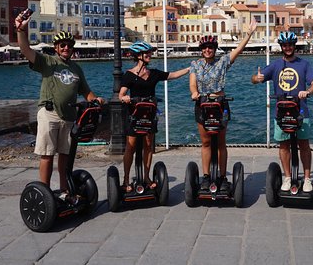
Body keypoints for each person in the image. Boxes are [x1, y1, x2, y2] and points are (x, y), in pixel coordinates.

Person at [15, 14, 105, 198]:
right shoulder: (47, 62)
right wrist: (21, 30)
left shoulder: (76, 69)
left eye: (69, 46)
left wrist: (96, 100)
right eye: (62, 45)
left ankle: (65, 190)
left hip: (69, 117)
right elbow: (25, 49)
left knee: (64, 154)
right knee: (47, 154)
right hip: (50, 113)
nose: (66, 48)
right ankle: (45, 192)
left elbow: (86, 91)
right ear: (56, 48)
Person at [190, 18, 258, 192]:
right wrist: (194, 93)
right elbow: (192, 83)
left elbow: (239, 50)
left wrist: (249, 33)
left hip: (220, 105)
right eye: (205, 48)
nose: (207, 50)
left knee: (220, 142)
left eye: (210, 47)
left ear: (214, 49)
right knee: (205, 142)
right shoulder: (195, 65)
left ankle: (221, 176)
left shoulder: (222, 62)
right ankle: (206, 177)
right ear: (201, 50)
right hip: (202, 105)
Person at [251, 31, 313, 192]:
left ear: (294, 46)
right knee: (283, 146)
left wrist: (308, 91)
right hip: (281, 113)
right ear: (281, 47)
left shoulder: (304, 64)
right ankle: (287, 177)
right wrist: (257, 78)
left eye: (290, 45)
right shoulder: (276, 65)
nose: (288, 48)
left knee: (304, 145)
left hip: (301, 111)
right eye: (285, 45)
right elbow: (254, 79)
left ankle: (308, 178)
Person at [118, 41, 189, 192]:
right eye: (147, 53)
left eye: (150, 52)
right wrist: (125, 98)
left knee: (148, 145)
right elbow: (121, 94)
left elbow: (173, 75)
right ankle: (125, 180)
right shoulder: (129, 75)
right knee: (130, 147)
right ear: (138, 56)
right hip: (134, 115)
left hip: (149, 115)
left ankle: (146, 177)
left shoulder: (154, 73)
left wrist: (190, 68)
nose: (150, 55)